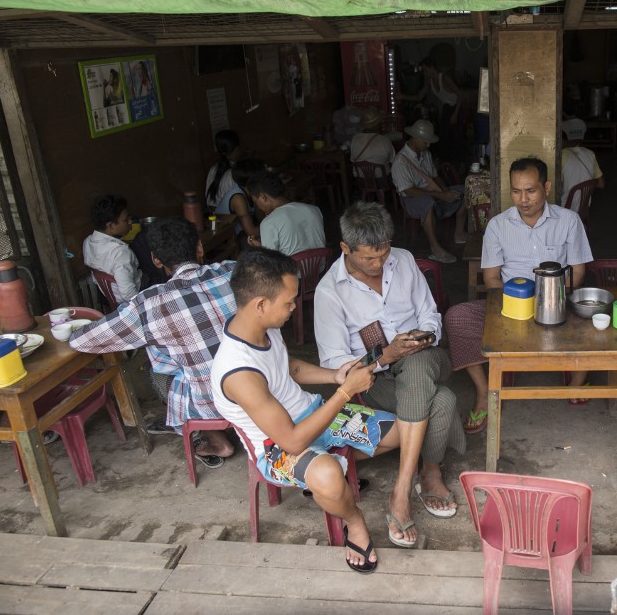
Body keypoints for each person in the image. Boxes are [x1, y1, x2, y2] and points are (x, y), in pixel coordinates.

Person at [211, 248, 399, 572]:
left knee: (400, 434)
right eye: (289, 302)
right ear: (261, 305)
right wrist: (346, 390)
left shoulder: (259, 326)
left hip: (312, 413)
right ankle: (353, 519)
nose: (294, 307)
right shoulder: (238, 372)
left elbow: (286, 367)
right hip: (277, 448)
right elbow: (293, 442)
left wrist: (334, 376)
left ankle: (333, 477)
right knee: (326, 475)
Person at [314, 202, 466, 548]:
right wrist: (385, 356)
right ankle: (429, 473)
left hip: (428, 358)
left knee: (416, 363)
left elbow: (429, 312)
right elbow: (337, 365)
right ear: (345, 248)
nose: (378, 264)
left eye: (383, 255)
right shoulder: (329, 292)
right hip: (375, 379)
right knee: (443, 400)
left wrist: (423, 336)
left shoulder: (404, 259)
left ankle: (400, 492)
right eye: (368, 258)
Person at [70, 218, 236, 467]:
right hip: (261, 385)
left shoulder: (148, 304)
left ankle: (214, 436)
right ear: (199, 248)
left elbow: (83, 341)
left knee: (155, 369)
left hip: (213, 401)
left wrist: (69, 334)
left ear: (156, 260)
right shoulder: (234, 271)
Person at [446, 157, 594, 430]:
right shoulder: (498, 226)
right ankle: (483, 392)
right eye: (516, 191)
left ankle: (576, 381)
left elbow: (578, 272)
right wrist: (518, 305)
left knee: (596, 317)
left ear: (546, 187)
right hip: (510, 303)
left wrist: (553, 301)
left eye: (531, 190)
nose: (523, 199)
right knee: (457, 317)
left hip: (556, 301)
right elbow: (491, 277)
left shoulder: (569, 221)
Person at [391, 119, 467, 264]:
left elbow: (434, 176)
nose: (428, 144)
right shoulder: (400, 162)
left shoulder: (425, 153)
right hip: (412, 199)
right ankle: (435, 248)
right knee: (428, 202)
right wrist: (440, 195)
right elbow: (409, 191)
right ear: (415, 138)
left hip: (433, 192)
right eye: (425, 141)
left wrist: (445, 191)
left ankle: (459, 233)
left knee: (464, 191)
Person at [82, 194, 144, 303]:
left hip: (107, 295)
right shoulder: (120, 253)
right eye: (126, 220)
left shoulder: (88, 242)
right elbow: (129, 295)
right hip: (131, 297)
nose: (130, 222)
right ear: (110, 225)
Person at [245, 172, 325, 255]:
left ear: (263, 197)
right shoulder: (314, 210)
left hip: (291, 268)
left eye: (256, 201)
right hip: (322, 266)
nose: (258, 207)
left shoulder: (268, 223)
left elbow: (270, 260)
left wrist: (259, 248)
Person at [214, 158, 264, 241]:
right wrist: (272, 228)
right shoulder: (238, 198)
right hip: (228, 241)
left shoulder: (251, 191)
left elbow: (262, 220)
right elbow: (251, 232)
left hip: (240, 235)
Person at [560, 131, 605, 212]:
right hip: (584, 206)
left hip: (565, 206)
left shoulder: (560, 156)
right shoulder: (590, 153)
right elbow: (601, 184)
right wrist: (584, 188)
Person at [205, 130, 242, 210]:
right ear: (236, 149)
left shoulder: (213, 169)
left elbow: (209, 201)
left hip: (213, 214)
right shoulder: (233, 173)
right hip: (230, 217)